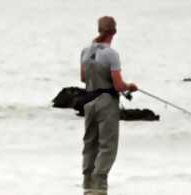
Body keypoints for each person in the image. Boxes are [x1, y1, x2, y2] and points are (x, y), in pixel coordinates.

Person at [80, 16, 138, 195]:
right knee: (108, 145)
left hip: (88, 101)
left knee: (90, 142)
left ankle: (87, 181)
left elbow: (83, 78)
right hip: (106, 102)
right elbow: (119, 85)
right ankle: (99, 182)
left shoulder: (85, 51)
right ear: (114, 32)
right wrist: (130, 87)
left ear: (99, 29)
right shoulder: (111, 54)